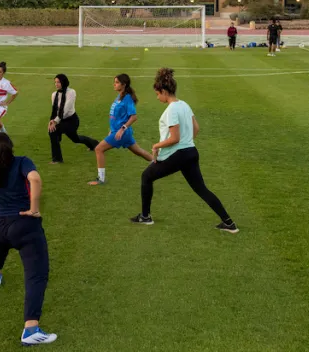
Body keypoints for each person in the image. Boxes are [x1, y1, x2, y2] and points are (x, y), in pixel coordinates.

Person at [129, 68, 239, 232]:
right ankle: (229, 223)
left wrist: (156, 146)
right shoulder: (185, 105)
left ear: (164, 91)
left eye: (157, 94)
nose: (157, 97)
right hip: (191, 152)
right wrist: (186, 144)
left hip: (178, 155)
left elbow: (174, 138)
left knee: (146, 176)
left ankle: (145, 217)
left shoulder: (172, 109)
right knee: (201, 189)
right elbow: (196, 129)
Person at [0, 133, 57, 346]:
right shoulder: (22, 162)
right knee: (37, 275)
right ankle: (31, 329)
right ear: (11, 147)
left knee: (0, 244)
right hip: (25, 225)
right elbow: (34, 178)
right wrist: (34, 209)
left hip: (1, 224)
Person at [87, 74, 153, 186]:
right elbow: (115, 116)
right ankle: (158, 162)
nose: (114, 84)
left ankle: (101, 179)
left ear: (124, 84)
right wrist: (112, 130)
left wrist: (122, 129)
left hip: (122, 133)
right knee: (138, 151)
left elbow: (133, 116)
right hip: (117, 132)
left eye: (117, 82)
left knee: (98, 149)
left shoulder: (127, 98)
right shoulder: (119, 96)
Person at [47, 74, 97, 163]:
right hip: (61, 120)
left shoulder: (71, 92)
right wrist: (51, 121)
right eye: (55, 82)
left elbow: (66, 109)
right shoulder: (54, 95)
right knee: (57, 133)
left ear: (64, 82)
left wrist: (55, 121)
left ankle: (57, 159)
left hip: (72, 121)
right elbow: (55, 110)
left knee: (71, 138)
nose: (56, 84)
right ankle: (94, 144)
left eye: (58, 82)